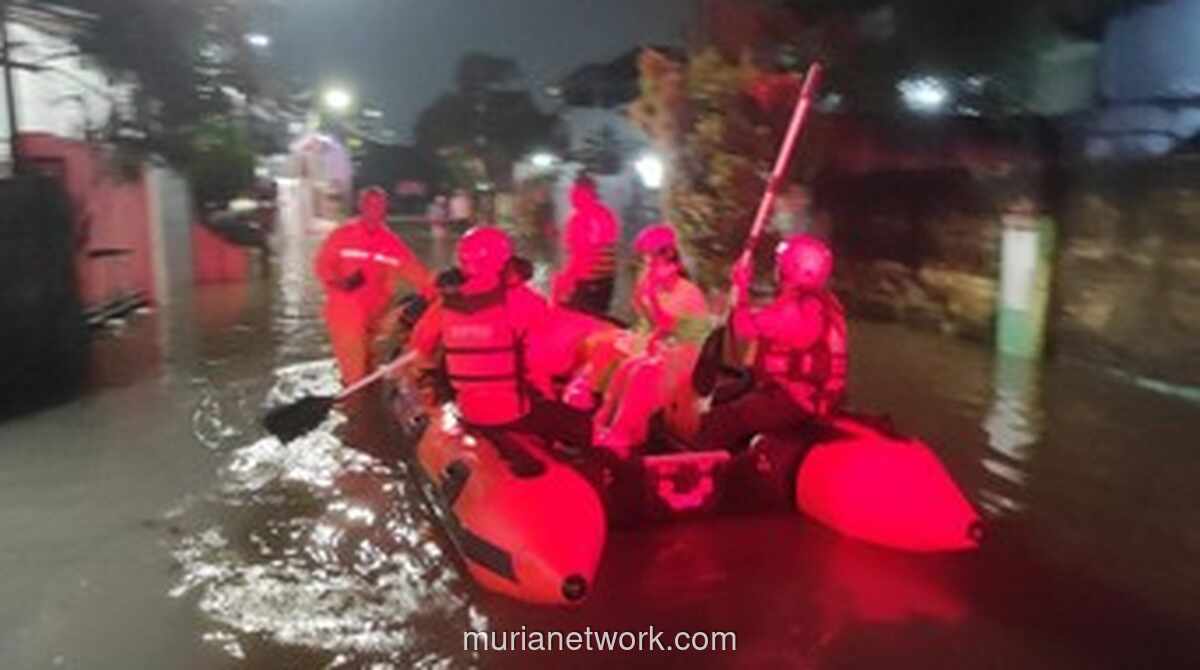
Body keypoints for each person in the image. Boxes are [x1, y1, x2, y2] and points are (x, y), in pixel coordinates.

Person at [406, 227, 593, 471]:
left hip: (468, 409)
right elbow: (551, 361)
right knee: (584, 425)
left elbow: (420, 345)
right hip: (514, 413)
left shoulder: (446, 303)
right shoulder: (523, 300)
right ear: (505, 261)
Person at [695, 234, 848, 451]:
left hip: (794, 400)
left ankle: (707, 469)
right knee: (726, 395)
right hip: (809, 397)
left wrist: (741, 286)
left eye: (781, 264)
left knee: (718, 421)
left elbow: (744, 326)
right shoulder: (823, 304)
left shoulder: (800, 308)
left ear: (793, 268)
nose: (777, 269)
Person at [587, 224, 711, 456]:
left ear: (669, 255)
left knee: (642, 372)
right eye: (646, 258)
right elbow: (651, 321)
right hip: (664, 347)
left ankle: (626, 434)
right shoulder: (654, 284)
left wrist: (652, 296)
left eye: (652, 257)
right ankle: (602, 421)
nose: (649, 263)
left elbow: (670, 326)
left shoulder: (687, 292)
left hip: (686, 355)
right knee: (626, 367)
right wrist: (645, 291)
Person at [315, 187, 434, 386]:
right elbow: (323, 265)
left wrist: (442, 290)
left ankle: (364, 396)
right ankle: (354, 400)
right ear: (360, 206)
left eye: (380, 206)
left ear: (386, 209)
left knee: (369, 369)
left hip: (376, 315)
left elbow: (417, 274)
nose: (375, 210)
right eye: (370, 205)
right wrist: (339, 281)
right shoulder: (342, 235)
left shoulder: (391, 243)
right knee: (355, 375)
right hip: (346, 314)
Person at [552, 175, 619, 315]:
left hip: (586, 282)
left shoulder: (580, 219)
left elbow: (582, 256)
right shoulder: (606, 214)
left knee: (575, 319)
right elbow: (604, 247)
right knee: (597, 319)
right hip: (606, 281)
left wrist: (562, 284)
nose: (571, 198)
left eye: (575, 193)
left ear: (587, 194)